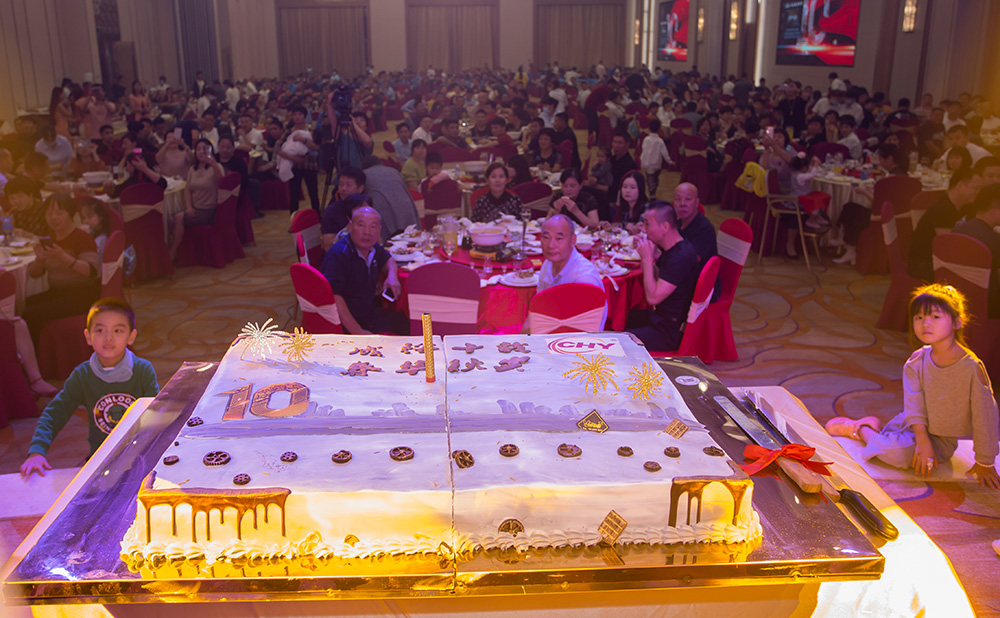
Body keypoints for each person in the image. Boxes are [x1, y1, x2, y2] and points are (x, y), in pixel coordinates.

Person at [825, 284, 999, 489]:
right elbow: (913, 404)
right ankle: (861, 428)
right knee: (895, 453)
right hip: (911, 425)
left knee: (899, 454)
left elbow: (985, 415)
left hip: (943, 440)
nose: (925, 323)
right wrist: (922, 441)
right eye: (919, 317)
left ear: (957, 322)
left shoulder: (971, 367)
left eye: (935, 317)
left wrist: (985, 461)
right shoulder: (917, 360)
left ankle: (871, 431)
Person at [20, 298, 159, 477]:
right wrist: (36, 451)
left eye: (117, 330)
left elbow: (157, 412)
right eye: (100, 330)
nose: (108, 338)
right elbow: (55, 413)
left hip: (140, 456)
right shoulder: (83, 375)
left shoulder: (142, 370)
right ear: (88, 336)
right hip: (100, 460)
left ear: (131, 336)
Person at [24, 195, 101, 342]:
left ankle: (36, 354)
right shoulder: (50, 239)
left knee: (30, 314)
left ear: (71, 215)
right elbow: (34, 274)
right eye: (49, 213)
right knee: (23, 305)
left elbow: (92, 271)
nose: (54, 218)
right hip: (57, 293)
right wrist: (40, 259)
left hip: (82, 295)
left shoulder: (82, 238)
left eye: (59, 213)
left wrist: (62, 256)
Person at [321, 206, 406, 336]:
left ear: (379, 230)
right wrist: (357, 331)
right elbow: (333, 297)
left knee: (408, 324)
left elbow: (388, 259)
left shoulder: (372, 248)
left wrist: (392, 276)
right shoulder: (339, 254)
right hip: (345, 324)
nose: (367, 232)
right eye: (361, 225)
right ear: (350, 227)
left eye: (373, 226)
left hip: (367, 314)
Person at [626, 201, 699, 351]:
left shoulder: (680, 258)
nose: (644, 229)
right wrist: (652, 255)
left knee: (617, 341)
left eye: (647, 224)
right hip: (659, 318)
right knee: (619, 318)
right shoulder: (674, 249)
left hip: (668, 330)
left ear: (665, 227)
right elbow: (658, 278)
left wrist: (646, 259)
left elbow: (652, 298)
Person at [833, 143, 910, 265]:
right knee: (851, 208)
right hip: (899, 215)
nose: (879, 162)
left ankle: (849, 248)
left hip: (882, 217)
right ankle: (844, 241)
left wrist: (864, 192)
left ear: (889, 159)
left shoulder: (891, 178)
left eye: (881, 159)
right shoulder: (904, 175)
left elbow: (879, 203)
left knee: (851, 210)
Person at [908, 168, 984, 279]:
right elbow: (947, 247)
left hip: (941, 260)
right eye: (976, 188)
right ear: (960, 185)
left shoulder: (965, 206)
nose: (978, 192)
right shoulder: (942, 209)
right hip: (924, 264)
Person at [536, 215, 606, 329]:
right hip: (550, 330)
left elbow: (585, 330)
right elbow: (538, 311)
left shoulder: (584, 279)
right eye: (546, 237)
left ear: (573, 240)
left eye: (559, 239)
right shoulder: (549, 263)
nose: (551, 245)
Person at [170, 139, 225, 260]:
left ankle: (172, 253)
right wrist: (189, 207)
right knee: (170, 218)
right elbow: (187, 190)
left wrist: (213, 164)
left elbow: (221, 184)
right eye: (198, 149)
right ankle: (184, 252)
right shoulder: (193, 169)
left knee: (178, 218)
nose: (201, 152)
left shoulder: (217, 167)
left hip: (210, 210)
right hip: (196, 209)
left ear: (210, 151)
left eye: (204, 149)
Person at [953, 184, 1000, 317]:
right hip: (986, 303)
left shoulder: (957, 230)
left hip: (956, 296)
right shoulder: (994, 240)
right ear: (994, 212)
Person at [359, 156, 420, 242]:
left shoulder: (364, 174)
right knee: (410, 238)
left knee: (388, 241)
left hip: (382, 204)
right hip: (405, 203)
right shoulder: (393, 171)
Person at [321, 167, 367, 251]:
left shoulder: (365, 207)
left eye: (348, 185)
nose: (343, 189)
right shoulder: (331, 212)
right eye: (341, 184)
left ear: (360, 188)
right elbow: (328, 247)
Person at [672, 183, 717, 268]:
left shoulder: (705, 228)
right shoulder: (678, 223)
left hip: (697, 274)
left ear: (696, 203)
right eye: (678, 199)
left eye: (688, 199)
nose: (682, 204)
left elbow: (690, 262)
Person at [640, 118, 671, 200]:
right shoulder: (660, 141)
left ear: (649, 128)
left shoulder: (646, 139)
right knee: (655, 178)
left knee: (649, 177)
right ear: (660, 128)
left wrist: (641, 160)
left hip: (647, 162)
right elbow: (664, 152)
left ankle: (651, 191)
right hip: (657, 163)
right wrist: (669, 161)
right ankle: (652, 191)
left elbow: (643, 150)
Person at [608, 133, 637, 205]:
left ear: (627, 145)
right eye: (614, 142)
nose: (616, 145)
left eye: (620, 143)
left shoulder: (628, 164)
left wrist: (596, 186)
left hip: (619, 197)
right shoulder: (613, 158)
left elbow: (616, 188)